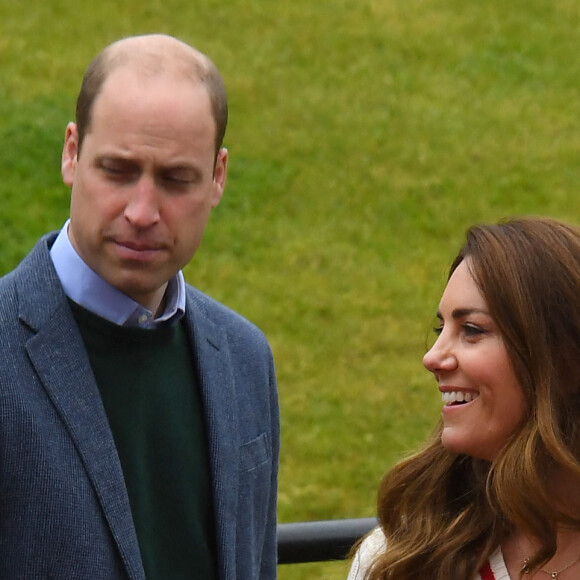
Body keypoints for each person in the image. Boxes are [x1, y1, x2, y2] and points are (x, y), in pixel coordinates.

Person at [0, 34, 279, 579]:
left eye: (176, 179)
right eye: (119, 171)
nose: (143, 211)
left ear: (218, 176)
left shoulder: (246, 358)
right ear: (71, 153)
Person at [348, 217, 580, 580]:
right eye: (441, 329)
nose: (432, 358)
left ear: (564, 360)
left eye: (472, 329)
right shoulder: (401, 561)